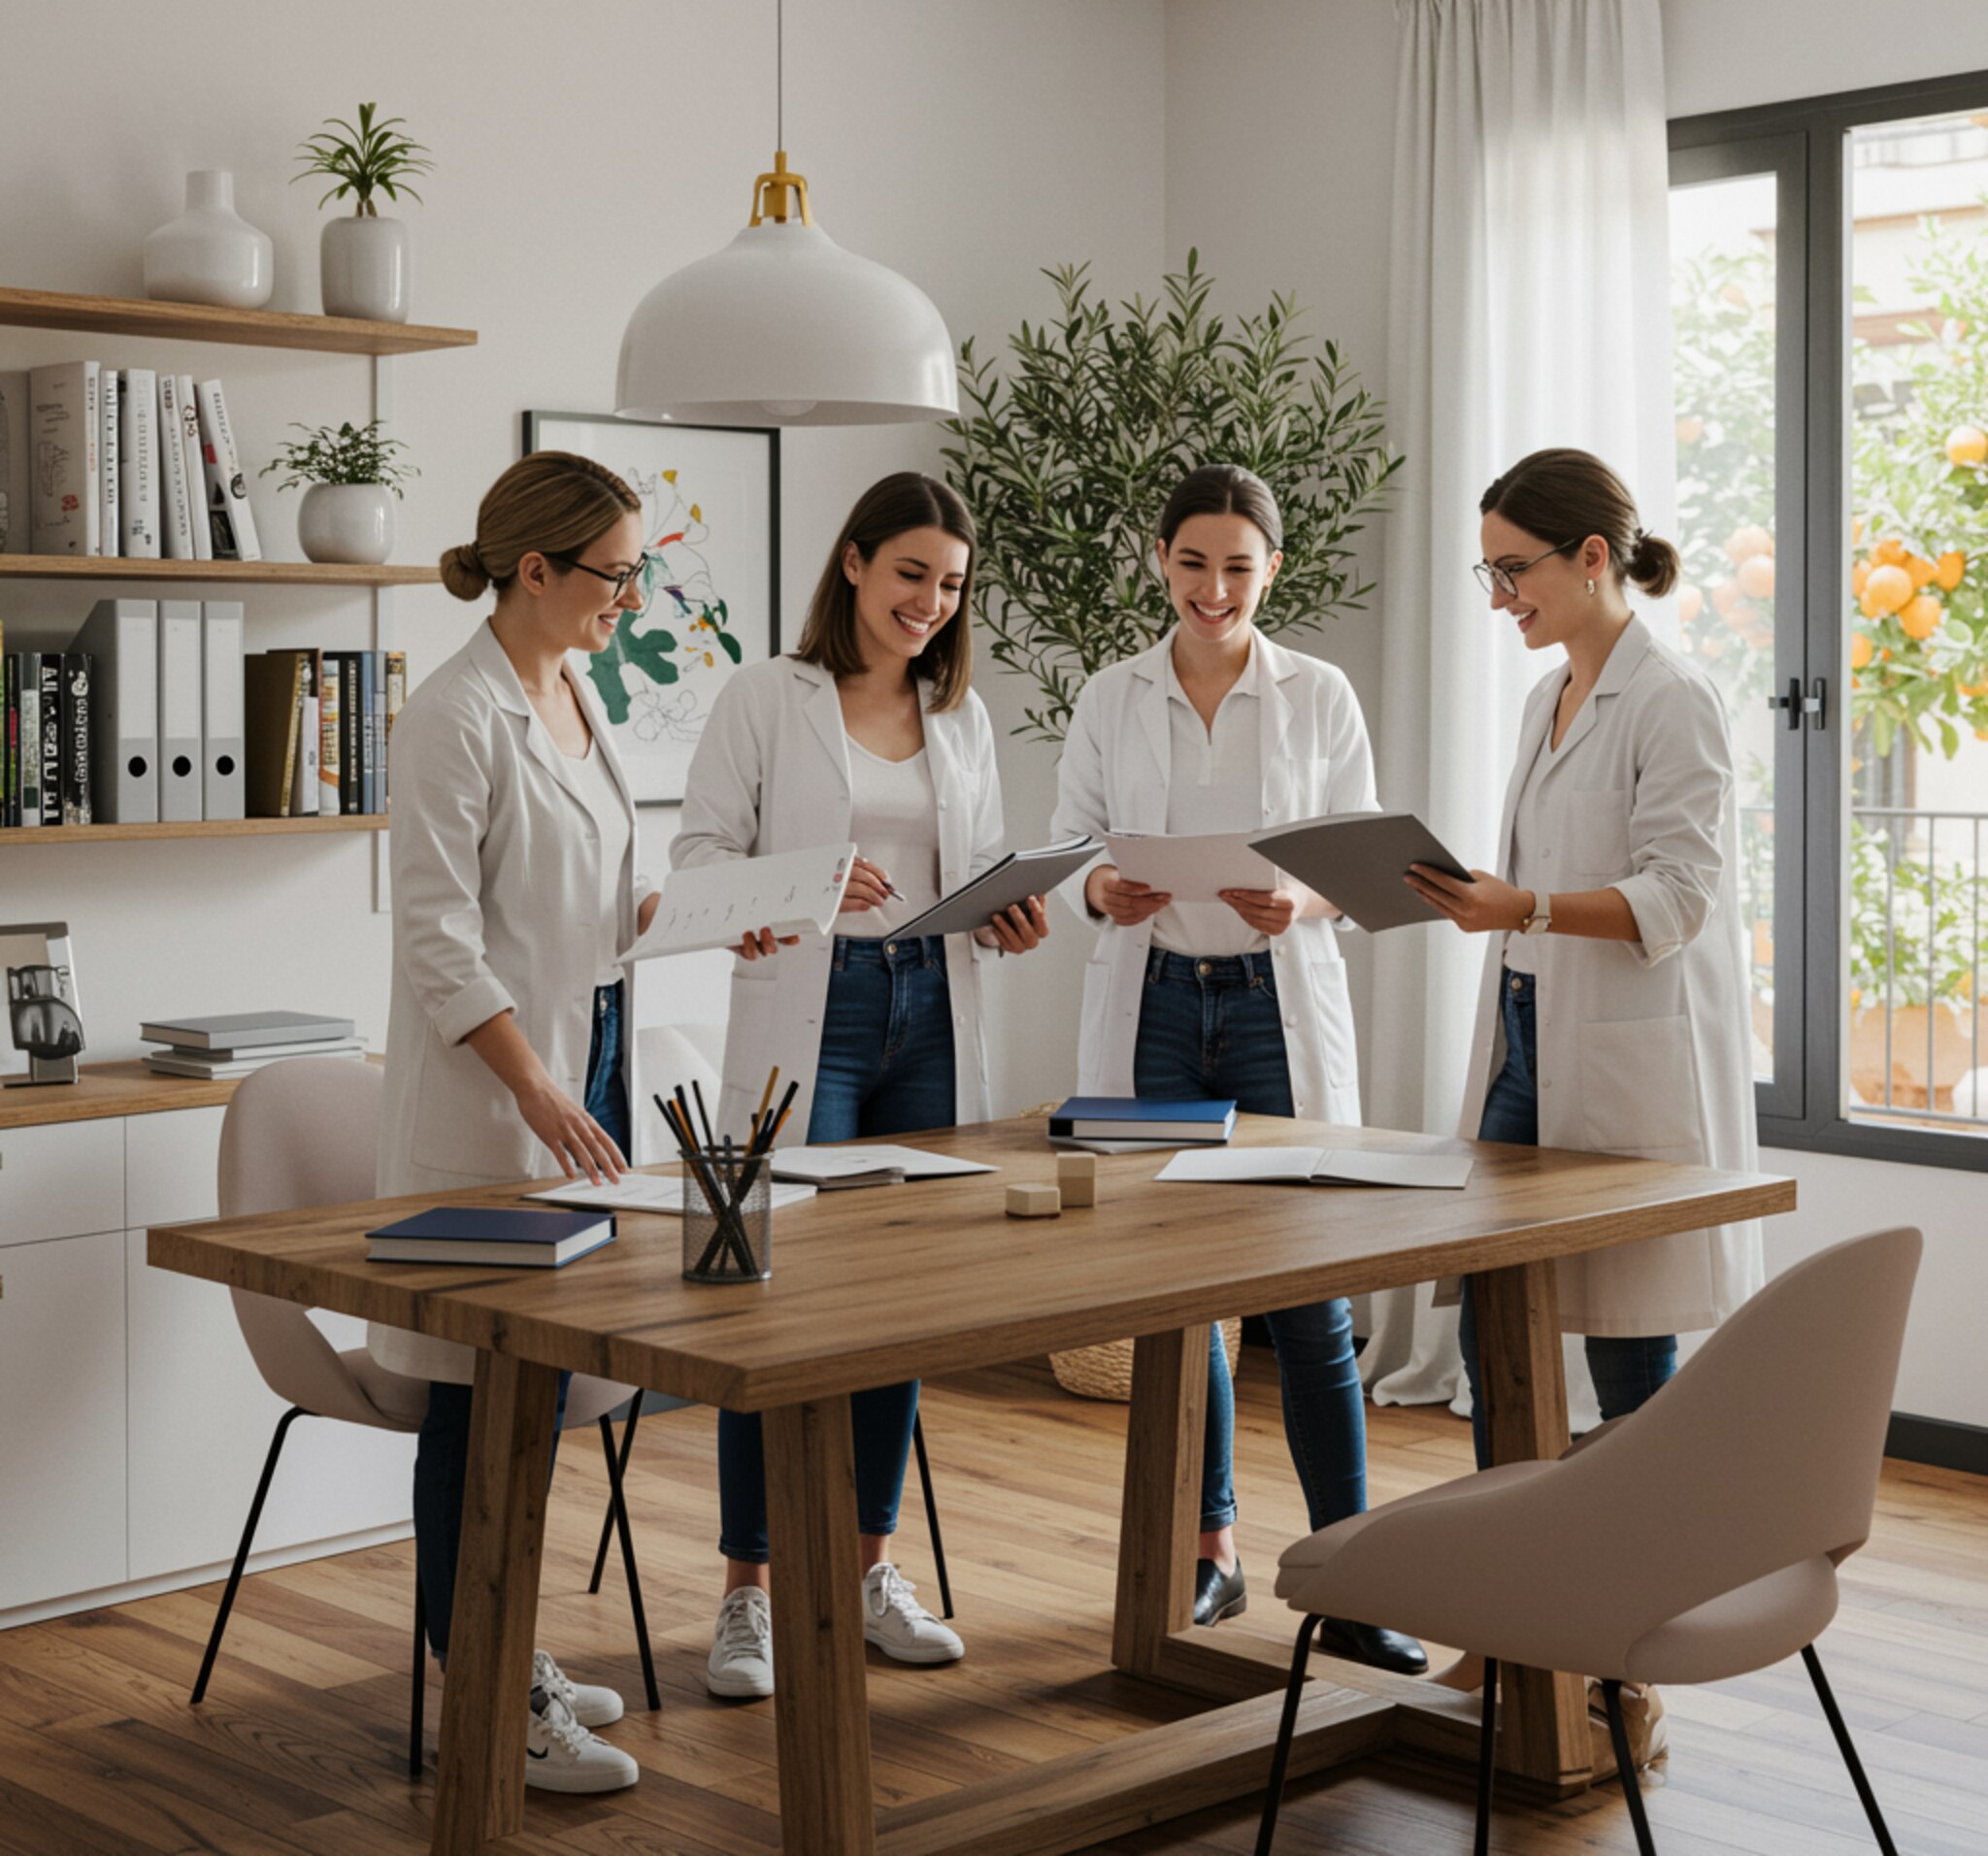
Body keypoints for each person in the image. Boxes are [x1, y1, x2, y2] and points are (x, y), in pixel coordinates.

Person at [672, 470, 1049, 1701]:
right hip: (812, 1019)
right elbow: (696, 861)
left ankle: (869, 1570)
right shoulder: (765, 698)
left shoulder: (961, 716)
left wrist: (1010, 908)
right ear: (852, 565)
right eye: (909, 576)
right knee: (763, 1300)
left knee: (897, 1301)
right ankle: (747, 1591)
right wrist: (806, 884)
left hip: (926, 1017)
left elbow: (977, 864)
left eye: (948, 585)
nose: (929, 604)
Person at [1051, 464, 1427, 1676]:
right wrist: (1100, 888)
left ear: (1271, 570)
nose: (1213, 588)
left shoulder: (1316, 694)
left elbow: (1364, 861)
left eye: (1237, 565)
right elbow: (1068, 851)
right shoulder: (1112, 696)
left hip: (1273, 1009)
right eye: (1192, 562)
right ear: (1158, 559)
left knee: (1310, 1297)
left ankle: (1353, 1572)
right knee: (1177, 1298)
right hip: (1156, 1005)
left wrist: (1301, 895)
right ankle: (1207, 1548)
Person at [373, 450, 664, 1795]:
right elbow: (439, 944)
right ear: (534, 570)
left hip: (586, 1081)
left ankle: (508, 1646)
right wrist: (537, 1090)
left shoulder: (577, 694)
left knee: (532, 1397)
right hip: (499, 1108)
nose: (633, 595)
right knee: (472, 1401)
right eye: (615, 572)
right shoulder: (454, 716)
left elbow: (588, 908)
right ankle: (487, 1686)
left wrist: (698, 919)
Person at [1408, 446, 1764, 1463]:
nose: (1497, 597)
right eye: (1489, 573)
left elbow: (1679, 894)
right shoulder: (1546, 696)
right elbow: (1547, 875)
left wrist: (1521, 906)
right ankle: (1515, 1558)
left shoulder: (1672, 696)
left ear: (1592, 556)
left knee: (1624, 1344)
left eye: (1511, 570)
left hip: (1614, 1056)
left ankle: (1629, 1580)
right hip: (1523, 1038)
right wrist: (1481, 896)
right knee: (1489, 1312)